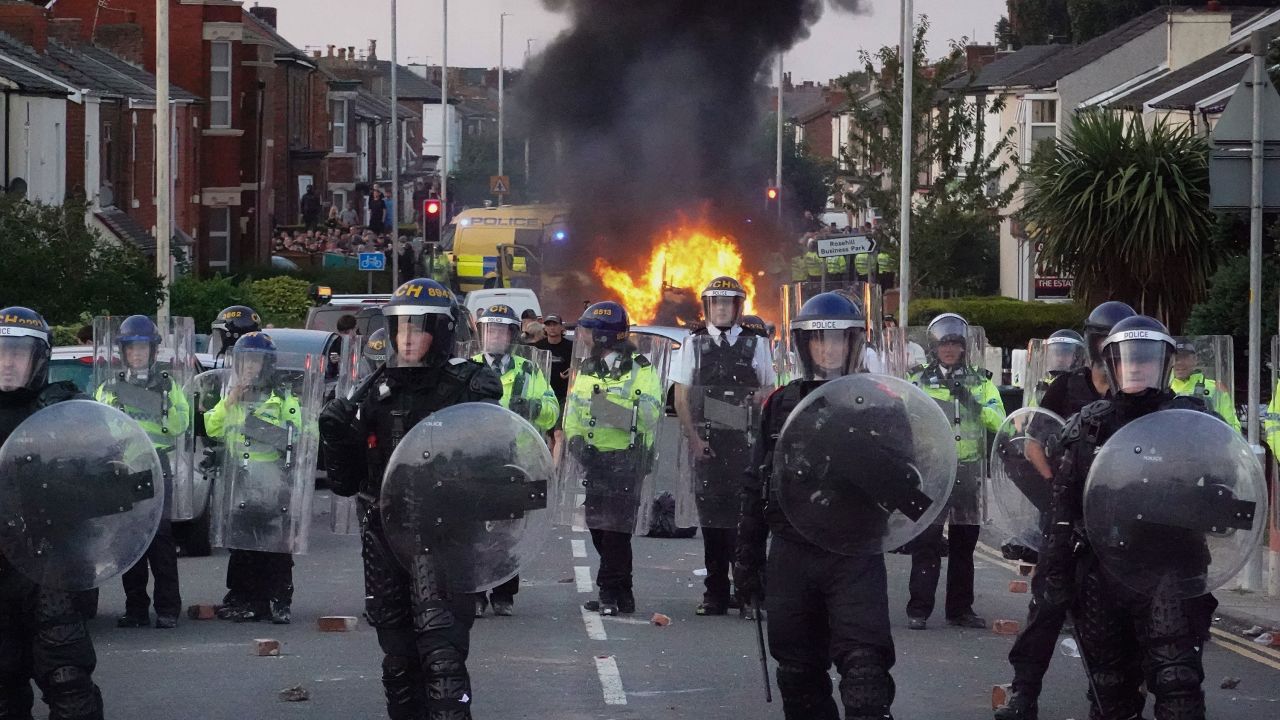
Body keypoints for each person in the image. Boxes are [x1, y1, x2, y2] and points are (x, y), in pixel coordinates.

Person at [319, 278, 502, 720]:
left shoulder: (468, 384)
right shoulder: (374, 391)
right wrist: (337, 435)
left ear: (439, 333)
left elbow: (491, 458)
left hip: (445, 537)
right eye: (400, 325)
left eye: (419, 326)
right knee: (398, 662)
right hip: (384, 536)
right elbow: (346, 484)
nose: (407, 336)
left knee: (442, 659)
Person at [1039, 315, 1217, 720]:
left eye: (1146, 359)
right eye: (1128, 359)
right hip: (1103, 571)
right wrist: (1056, 574)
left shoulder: (1192, 421)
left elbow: (1224, 482)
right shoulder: (1089, 425)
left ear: (1164, 363)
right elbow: (1062, 508)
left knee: (1177, 682)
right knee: (1109, 690)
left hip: (1169, 568)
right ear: (1113, 365)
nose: (1136, 367)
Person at [734, 292, 897, 720]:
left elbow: (908, 485)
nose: (828, 349)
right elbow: (757, 483)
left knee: (866, 681)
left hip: (854, 550)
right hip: (792, 550)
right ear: (804, 346)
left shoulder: (882, 401)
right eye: (819, 341)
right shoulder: (780, 403)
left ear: (854, 344)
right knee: (799, 677)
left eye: (838, 340)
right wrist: (746, 558)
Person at [995, 301, 1134, 720]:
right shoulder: (1067, 387)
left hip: (1118, 520)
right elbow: (1034, 439)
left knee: (1114, 615)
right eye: (1102, 343)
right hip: (1065, 518)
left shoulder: (1137, 394)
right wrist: (1057, 488)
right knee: (1047, 607)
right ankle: (1024, 694)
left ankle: (1108, 700)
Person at [0, 306, 105, 719]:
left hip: (50, 571)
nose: (7, 362)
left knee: (68, 678)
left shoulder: (66, 413)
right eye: (0, 352)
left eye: (18, 353)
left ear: (38, 359)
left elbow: (103, 481)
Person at [672, 277, 775, 616]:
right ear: (707, 307)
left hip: (744, 445)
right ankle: (715, 593)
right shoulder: (693, 344)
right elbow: (682, 396)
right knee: (713, 523)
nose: (720, 309)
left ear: (737, 308)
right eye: (714, 303)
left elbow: (769, 392)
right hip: (708, 446)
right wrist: (694, 439)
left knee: (747, 521)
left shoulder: (755, 344)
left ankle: (748, 593)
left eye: (727, 303)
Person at [563, 301, 665, 616]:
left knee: (616, 531)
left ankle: (608, 591)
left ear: (606, 336)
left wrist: (606, 410)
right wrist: (575, 440)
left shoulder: (641, 367)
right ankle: (625, 591)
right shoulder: (587, 368)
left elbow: (649, 413)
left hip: (627, 459)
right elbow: (574, 410)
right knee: (598, 527)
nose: (585, 338)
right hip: (594, 460)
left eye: (590, 332)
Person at [905, 313, 1005, 630]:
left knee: (964, 543)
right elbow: (905, 420)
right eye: (944, 343)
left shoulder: (982, 381)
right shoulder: (918, 381)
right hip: (932, 472)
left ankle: (960, 609)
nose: (949, 349)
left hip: (968, 472)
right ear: (934, 347)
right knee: (926, 541)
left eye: (954, 343)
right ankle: (918, 609)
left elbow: (999, 423)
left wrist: (972, 403)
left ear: (963, 347)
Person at [93, 316, 187, 630]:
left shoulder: (167, 384)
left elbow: (180, 425)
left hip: (157, 465)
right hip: (125, 467)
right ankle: (135, 608)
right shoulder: (110, 387)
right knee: (130, 540)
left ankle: (168, 609)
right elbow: (101, 428)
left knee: (160, 539)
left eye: (142, 348)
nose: (137, 354)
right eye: (131, 349)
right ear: (123, 351)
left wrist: (161, 403)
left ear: (152, 351)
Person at [467, 305, 559, 618]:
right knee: (474, 530)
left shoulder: (528, 371)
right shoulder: (467, 367)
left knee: (508, 531)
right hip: (476, 461)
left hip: (515, 461)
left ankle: (504, 593)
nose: (493, 335)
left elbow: (551, 411)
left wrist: (529, 405)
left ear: (510, 335)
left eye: (499, 330)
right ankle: (476, 592)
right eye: (488, 329)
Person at [203, 332, 301, 624]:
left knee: (274, 543)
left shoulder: (282, 398)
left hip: (272, 480)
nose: (249, 367)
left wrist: (266, 431)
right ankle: (245, 598)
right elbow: (212, 428)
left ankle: (279, 600)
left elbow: (300, 436)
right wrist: (231, 400)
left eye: (256, 361)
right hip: (241, 479)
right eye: (244, 361)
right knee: (242, 543)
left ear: (266, 365)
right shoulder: (229, 397)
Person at [1169, 339, 1240, 431]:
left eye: (1184, 357)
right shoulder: (1164, 389)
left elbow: (1232, 427)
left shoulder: (1215, 388)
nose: (1179, 362)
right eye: (1176, 358)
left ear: (1195, 359)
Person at [533, 314, 572, 411]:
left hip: (564, 395)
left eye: (555, 324)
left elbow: (580, 365)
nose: (552, 328)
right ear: (545, 328)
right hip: (543, 394)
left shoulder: (571, 346)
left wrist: (572, 371)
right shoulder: (538, 347)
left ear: (561, 327)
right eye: (549, 325)